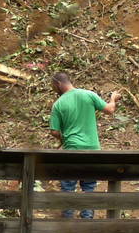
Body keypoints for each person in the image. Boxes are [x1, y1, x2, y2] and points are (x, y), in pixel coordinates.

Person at [48, 72, 119, 219]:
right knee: (89, 187)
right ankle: (87, 222)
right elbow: (109, 110)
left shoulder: (58, 104)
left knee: (68, 187)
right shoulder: (88, 95)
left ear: (58, 84)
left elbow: (54, 131)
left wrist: (64, 137)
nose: (54, 89)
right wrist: (113, 98)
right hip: (92, 150)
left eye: (53, 86)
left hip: (71, 151)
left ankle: (67, 225)